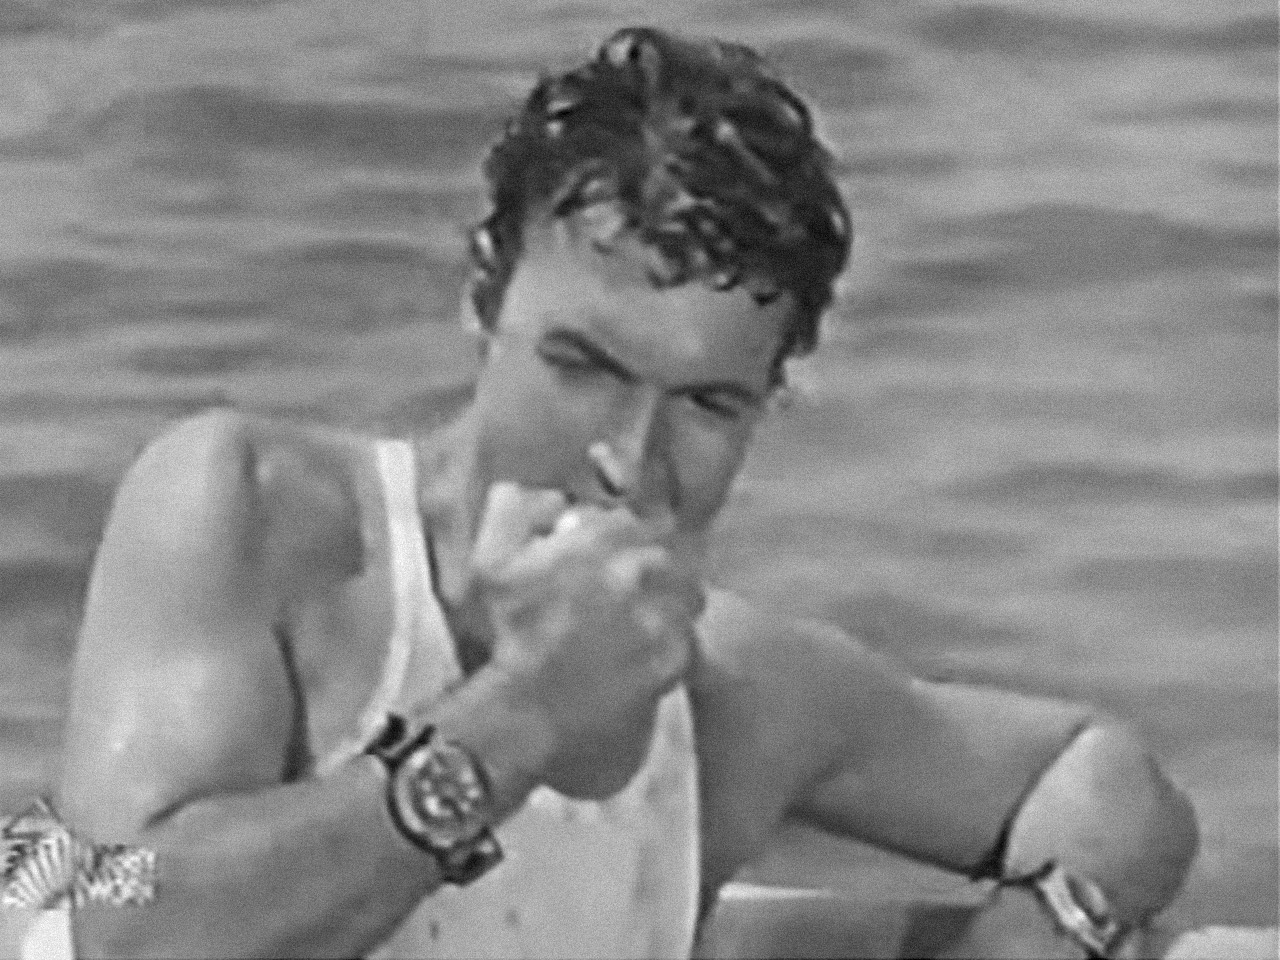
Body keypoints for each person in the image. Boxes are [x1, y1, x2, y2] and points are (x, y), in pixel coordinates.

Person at [18, 26, 1196, 959]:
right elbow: (122, 928)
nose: (629, 460)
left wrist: (1042, 935)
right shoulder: (262, 515)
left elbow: (1101, 786)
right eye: (581, 368)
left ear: (770, 399)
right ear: (482, 293)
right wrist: (523, 713)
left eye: (707, 405)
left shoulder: (736, 697)